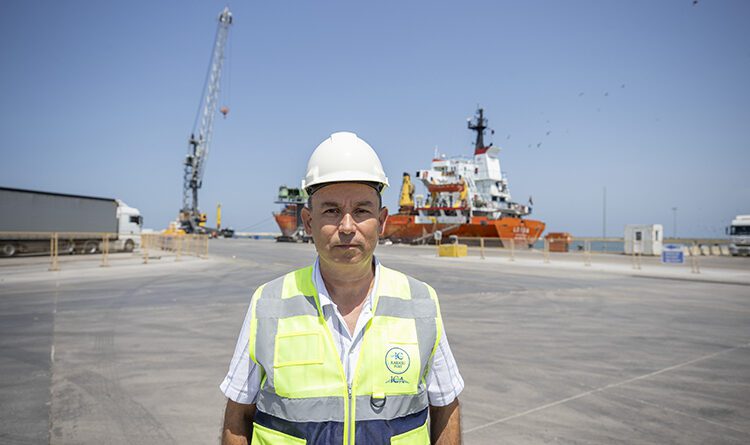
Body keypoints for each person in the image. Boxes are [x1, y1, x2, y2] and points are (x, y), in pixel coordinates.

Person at [220, 132, 464, 444]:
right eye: (331, 211)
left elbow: (445, 407)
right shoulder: (268, 305)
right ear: (309, 221)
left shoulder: (421, 303)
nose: (347, 227)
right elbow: (238, 415)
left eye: (361, 211)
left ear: (382, 221)